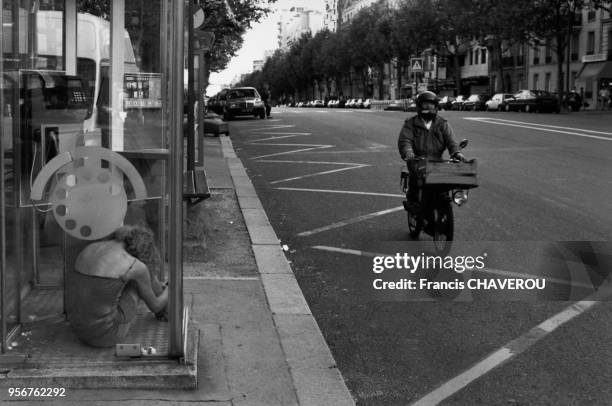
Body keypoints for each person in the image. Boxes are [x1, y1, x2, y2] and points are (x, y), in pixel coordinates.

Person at [67, 225, 168, 348]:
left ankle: (165, 310)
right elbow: (155, 306)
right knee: (143, 277)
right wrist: (170, 288)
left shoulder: (89, 248)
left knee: (132, 278)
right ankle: (166, 312)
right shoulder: (133, 264)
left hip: (78, 330)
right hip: (108, 335)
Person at [397, 91, 465, 211]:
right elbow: (405, 140)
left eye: (431, 105)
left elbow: (451, 141)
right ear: (419, 106)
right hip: (417, 160)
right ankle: (413, 201)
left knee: (444, 184)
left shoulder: (442, 124)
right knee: (415, 179)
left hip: (437, 161)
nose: (428, 108)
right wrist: (408, 151)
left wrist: (456, 152)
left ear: (436, 107)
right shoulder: (411, 124)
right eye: (425, 105)